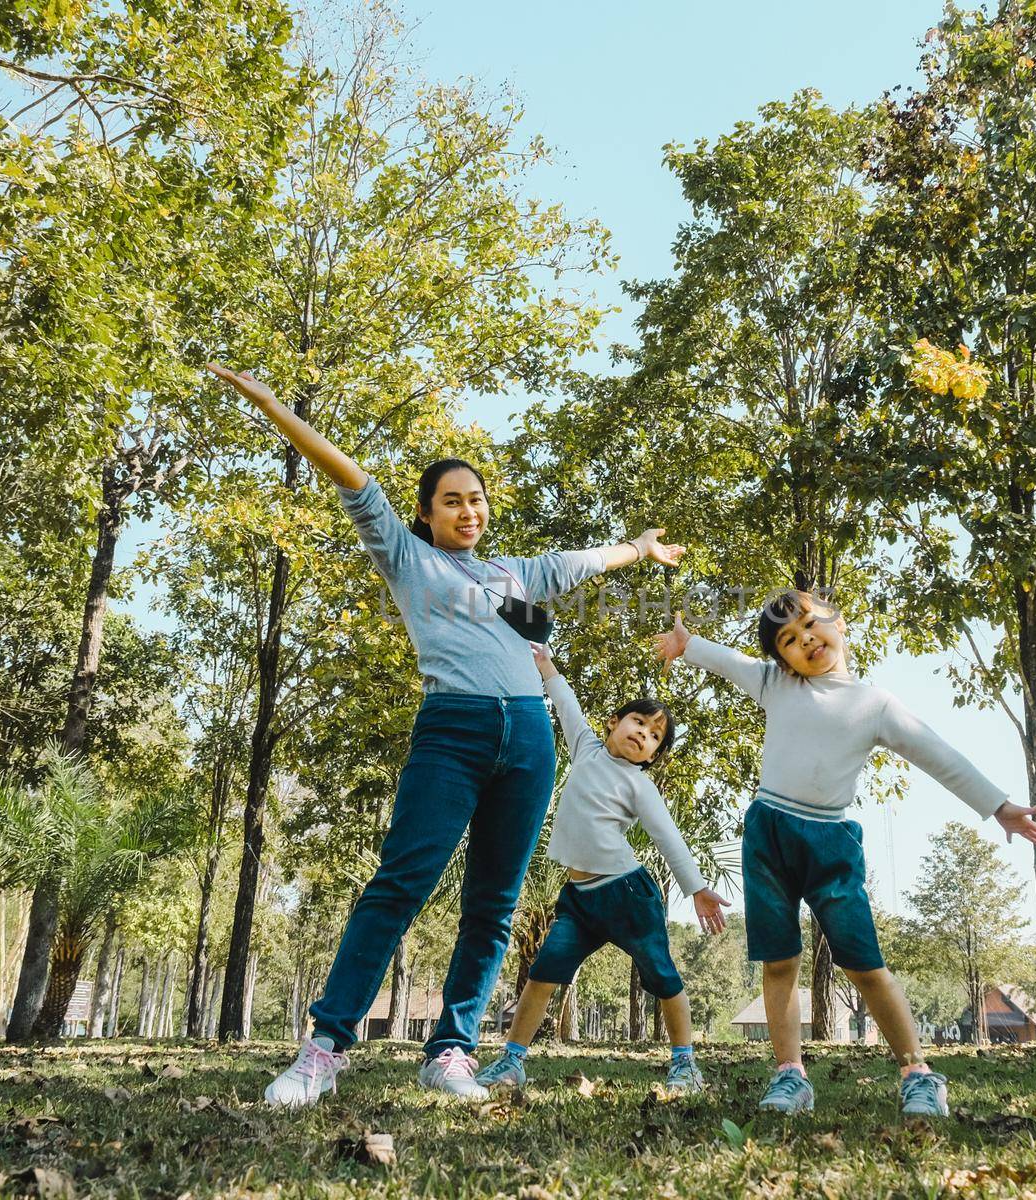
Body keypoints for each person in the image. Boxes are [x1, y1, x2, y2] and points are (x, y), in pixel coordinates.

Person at [204, 365, 686, 1107]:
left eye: (477, 499)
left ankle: (451, 1050)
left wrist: (640, 548)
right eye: (452, 501)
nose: (469, 511)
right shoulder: (409, 557)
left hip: (528, 739)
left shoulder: (515, 573)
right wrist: (273, 408)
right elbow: (356, 482)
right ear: (427, 513)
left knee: (493, 903)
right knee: (401, 884)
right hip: (452, 730)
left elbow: (584, 560)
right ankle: (325, 1048)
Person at [654, 587, 1036, 1117]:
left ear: (837, 622)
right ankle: (790, 1075)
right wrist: (690, 644)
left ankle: (918, 1073)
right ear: (783, 658)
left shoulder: (875, 704)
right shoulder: (777, 684)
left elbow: (938, 755)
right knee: (779, 962)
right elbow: (733, 663)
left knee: (864, 965)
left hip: (830, 847)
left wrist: (997, 805)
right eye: (789, 641)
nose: (805, 642)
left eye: (811, 625)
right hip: (768, 836)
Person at [476, 647, 730, 1095]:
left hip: (627, 896)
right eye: (639, 722)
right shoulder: (586, 750)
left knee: (663, 977)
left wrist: (697, 889)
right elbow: (568, 706)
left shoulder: (638, 785)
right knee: (542, 975)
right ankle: (512, 1061)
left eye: (655, 736)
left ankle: (685, 1064)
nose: (644, 734)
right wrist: (546, 665)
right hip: (578, 901)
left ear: (652, 756)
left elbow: (668, 837)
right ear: (614, 722)